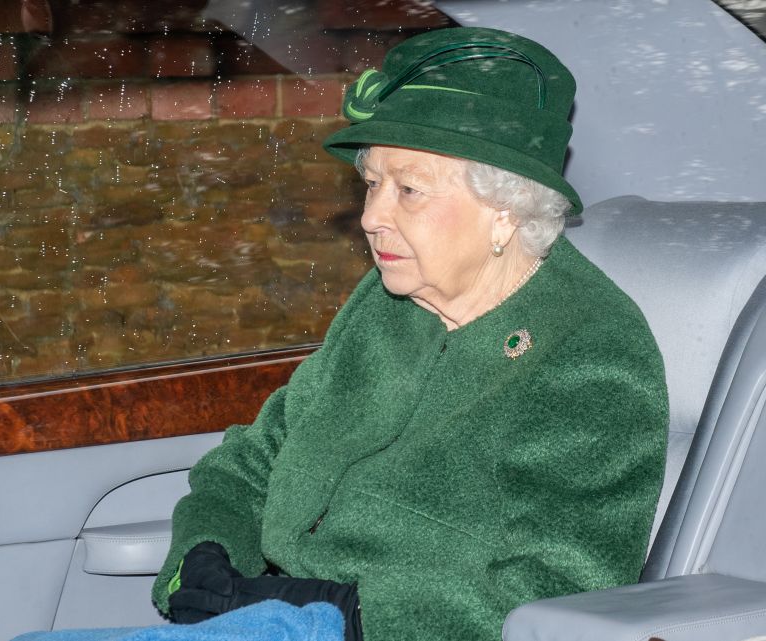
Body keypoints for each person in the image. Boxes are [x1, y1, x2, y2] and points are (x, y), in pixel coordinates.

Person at [151, 25, 668, 641]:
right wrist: (204, 556)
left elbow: (565, 585)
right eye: (372, 184)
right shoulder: (390, 302)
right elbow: (254, 459)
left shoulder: (589, 348)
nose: (371, 218)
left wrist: (349, 612)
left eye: (409, 191)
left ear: (504, 207)